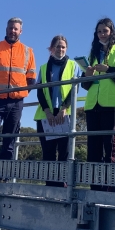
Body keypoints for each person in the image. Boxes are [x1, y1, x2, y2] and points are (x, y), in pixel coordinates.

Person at [82, 18, 115, 192]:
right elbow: (86, 85)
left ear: (112, 32)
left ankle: (110, 190)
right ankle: (95, 188)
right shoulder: (92, 55)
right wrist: (87, 76)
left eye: (105, 31)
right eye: (99, 31)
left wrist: (108, 70)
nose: (102, 34)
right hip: (92, 106)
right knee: (93, 150)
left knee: (111, 148)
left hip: (112, 105)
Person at [0, 17, 37, 160]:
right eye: (10, 28)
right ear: (6, 29)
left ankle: (4, 171)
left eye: (15, 29)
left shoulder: (28, 51)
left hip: (16, 103)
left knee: (9, 141)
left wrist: (20, 94)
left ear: (20, 31)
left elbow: (31, 79)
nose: (12, 31)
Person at [34, 35, 77, 187]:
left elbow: (74, 89)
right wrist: (47, 111)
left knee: (64, 153)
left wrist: (64, 108)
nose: (60, 49)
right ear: (51, 48)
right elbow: (40, 92)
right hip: (46, 116)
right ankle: (50, 187)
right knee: (48, 153)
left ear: (67, 48)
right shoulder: (43, 68)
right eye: (58, 46)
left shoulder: (73, 65)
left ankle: (63, 186)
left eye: (63, 47)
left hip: (64, 115)